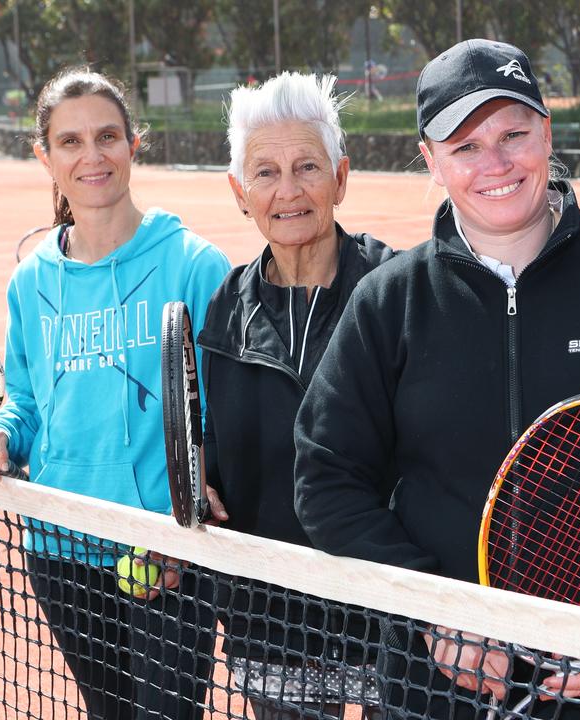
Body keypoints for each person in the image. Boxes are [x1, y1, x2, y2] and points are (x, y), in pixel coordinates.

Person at [293, 39, 580, 720]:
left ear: (547, 132)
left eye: (514, 134)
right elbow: (326, 476)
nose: (496, 163)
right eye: (466, 146)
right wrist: (434, 608)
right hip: (433, 687)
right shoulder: (389, 301)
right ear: (430, 159)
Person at [0, 67, 232, 720]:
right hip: (61, 548)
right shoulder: (31, 284)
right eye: (71, 141)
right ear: (44, 157)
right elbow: (25, 400)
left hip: (163, 550)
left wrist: (193, 505)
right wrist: (1, 437)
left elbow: (227, 409)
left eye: (107, 136)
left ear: (134, 144)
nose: (92, 155)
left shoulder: (194, 265)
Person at [197, 72, 395, 720]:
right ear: (239, 192)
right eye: (266, 172)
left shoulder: (399, 293)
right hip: (271, 624)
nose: (288, 190)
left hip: (389, 623)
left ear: (340, 177)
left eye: (306, 166)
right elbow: (210, 442)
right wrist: (198, 472)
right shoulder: (224, 309)